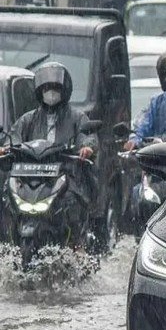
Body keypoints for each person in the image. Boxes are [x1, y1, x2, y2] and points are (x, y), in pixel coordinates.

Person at [1, 63, 98, 245]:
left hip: (65, 175)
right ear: (39, 91)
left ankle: (77, 244)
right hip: (31, 177)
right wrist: (6, 148)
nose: (50, 92)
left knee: (72, 199)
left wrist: (87, 148)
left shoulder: (77, 118)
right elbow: (13, 138)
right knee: (8, 193)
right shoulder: (28, 119)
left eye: (55, 88)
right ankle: (10, 242)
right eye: (46, 88)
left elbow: (88, 136)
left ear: (64, 90)